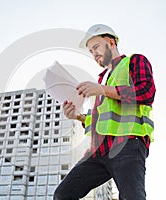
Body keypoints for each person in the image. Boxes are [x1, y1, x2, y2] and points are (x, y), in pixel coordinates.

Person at [53, 24, 156, 200]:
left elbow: (146, 92)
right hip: (99, 151)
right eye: (91, 51)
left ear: (111, 42)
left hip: (128, 143)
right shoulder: (102, 79)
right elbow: (102, 118)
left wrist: (102, 89)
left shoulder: (134, 61)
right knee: (63, 194)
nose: (94, 54)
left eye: (96, 47)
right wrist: (77, 116)